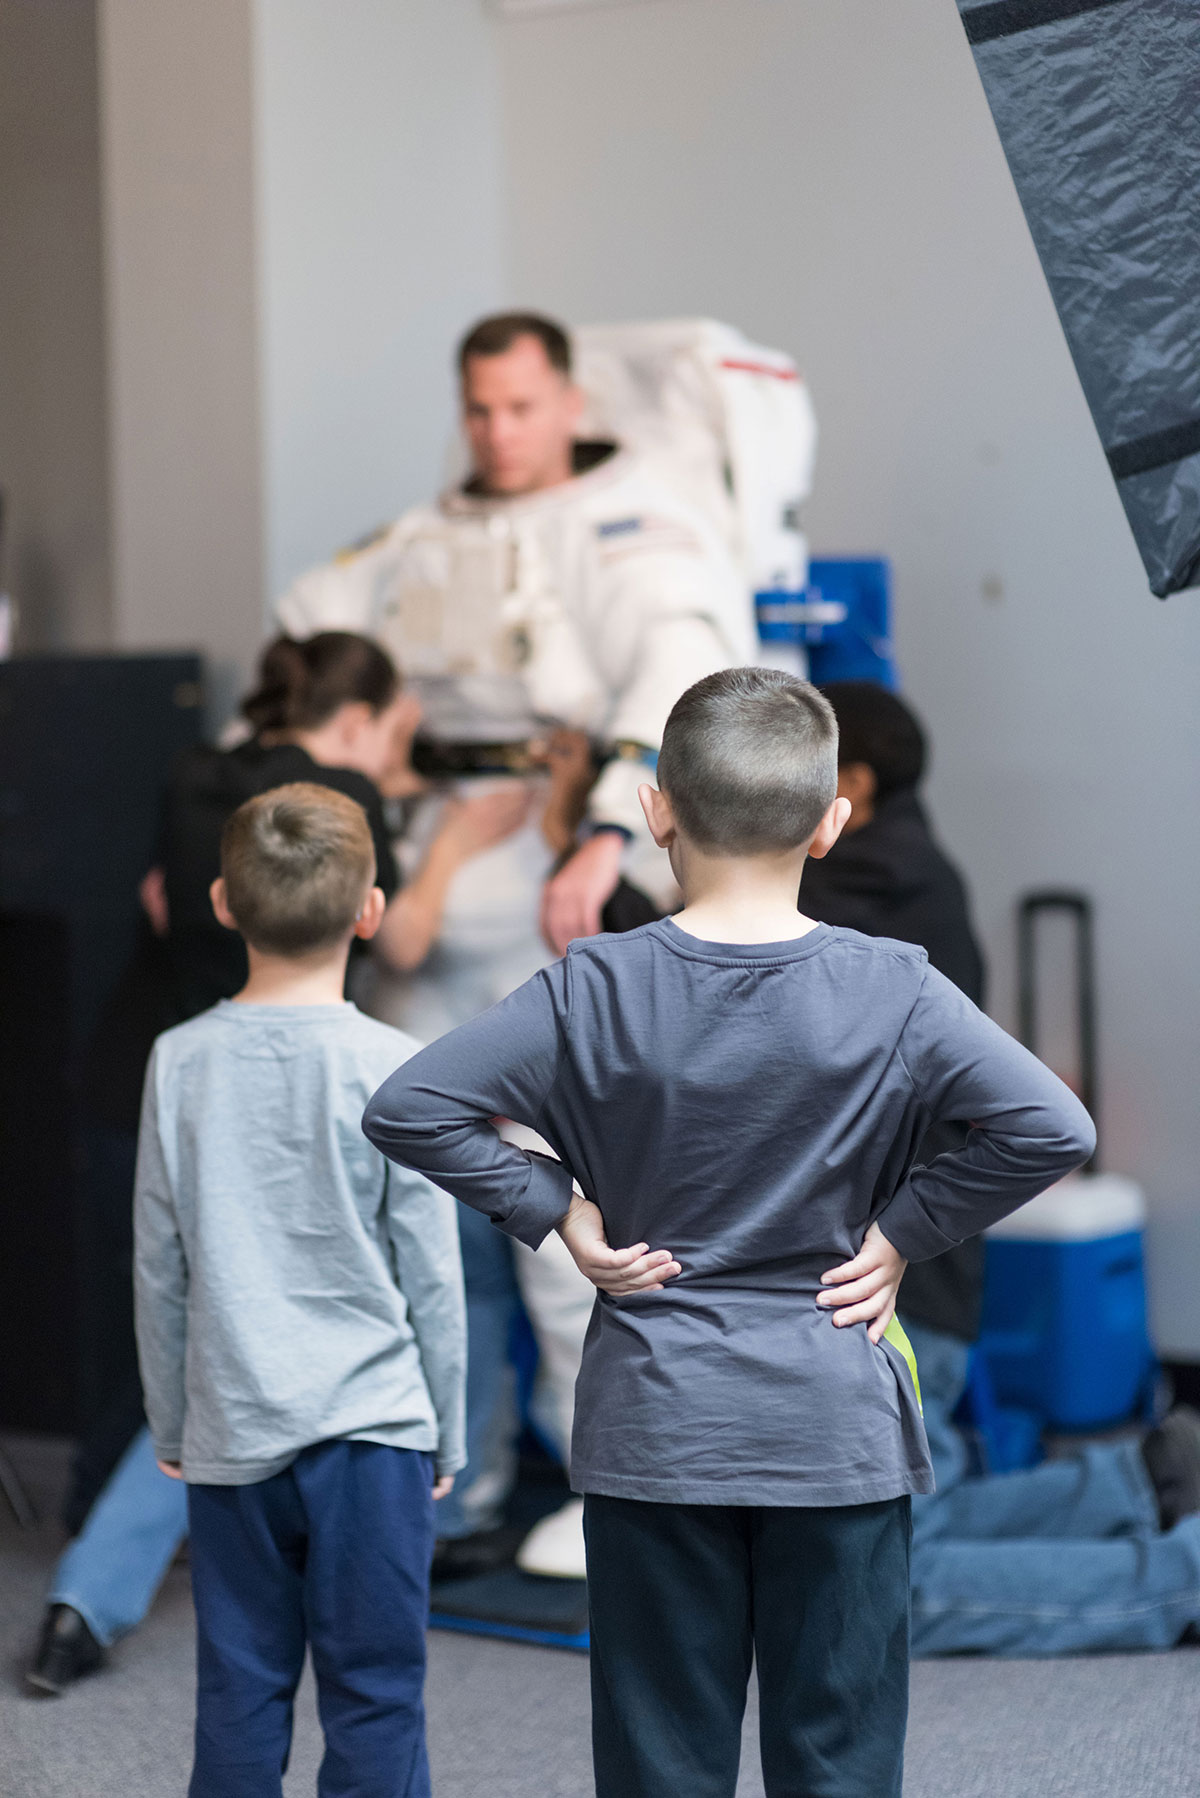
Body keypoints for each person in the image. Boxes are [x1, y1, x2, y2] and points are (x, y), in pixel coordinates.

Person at [363, 667, 1095, 1797]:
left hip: (657, 1427)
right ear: (830, 822)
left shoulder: (589, 986)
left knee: (663, 1763)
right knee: (838, 1760)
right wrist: (903, 1233)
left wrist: (557, 1210)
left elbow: (409, 1107)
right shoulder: (895, 986)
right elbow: (1052, 1124)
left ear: (656, 808)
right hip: (833, 1425)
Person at [279, 312, 756, 1574]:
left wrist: (605, 833)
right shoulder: (420, 536)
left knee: (561, 1209)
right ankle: (459, 1466)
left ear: (569, 399)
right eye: (479, 409)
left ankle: (605, 1478)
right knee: (421, 1204)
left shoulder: (638, 521)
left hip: (554, 882)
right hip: (419, 882)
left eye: (521, 407)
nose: (498, 432)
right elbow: (302, 636)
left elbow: (681, 667)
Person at [26, 634, 516, 1697]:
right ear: (360, 727)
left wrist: (178, 1426)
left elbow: (162, 897)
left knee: (202, 1334)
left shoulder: (198, 776)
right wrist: (446, 837)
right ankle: (98, 1569)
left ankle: (83, 1593)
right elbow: (405, 949)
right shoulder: (345, 814)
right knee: (374, 1685)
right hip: (303, 1138)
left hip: (154, 1083)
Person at [801, 679, 1200, 1657]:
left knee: (873, 1590)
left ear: (849, 786)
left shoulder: (871, 885)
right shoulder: (903, 857)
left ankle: (1179, 1580)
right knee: (890, 1537)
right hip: (903, 1282)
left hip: (887, 1292)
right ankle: (1137, 1483)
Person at [134, 782, 465, 1798]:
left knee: (238, 1685)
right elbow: (433, 1278)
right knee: (375, 1690)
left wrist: (172, 1421)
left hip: (235, 1425)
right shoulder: (397, 1067)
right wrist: (447, 1431)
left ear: (222, 903)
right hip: (374, 1433)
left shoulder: (178, 1061)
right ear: (371, 910)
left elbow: (158, 1260)